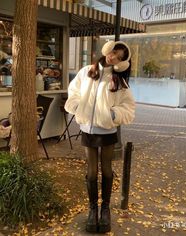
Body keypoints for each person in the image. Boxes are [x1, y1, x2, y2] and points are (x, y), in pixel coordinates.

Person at [64, 41, 135, 233]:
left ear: (122, 62)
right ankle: (92, 209)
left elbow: (128, 107)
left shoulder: (119, 81)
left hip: (107, 131)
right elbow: (73, 91)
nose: (113, 57)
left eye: (119, 57)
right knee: (92, 171)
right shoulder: (87, 71)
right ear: (107, 49)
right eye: (113, 52)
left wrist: (112, 115)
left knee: (107, 169)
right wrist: (78, 106)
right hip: (88, 129)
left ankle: (105, 209)